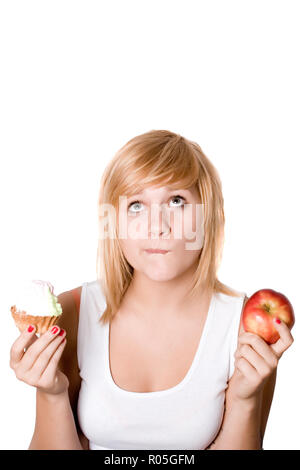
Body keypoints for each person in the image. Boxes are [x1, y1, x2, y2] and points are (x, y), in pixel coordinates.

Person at [9, 130, 294, 450]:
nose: (157, 226)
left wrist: (245, 402)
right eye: (135, 205)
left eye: (177, 201)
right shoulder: (72, 311)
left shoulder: (246, 325)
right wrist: (52, 393)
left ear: (207, 216)